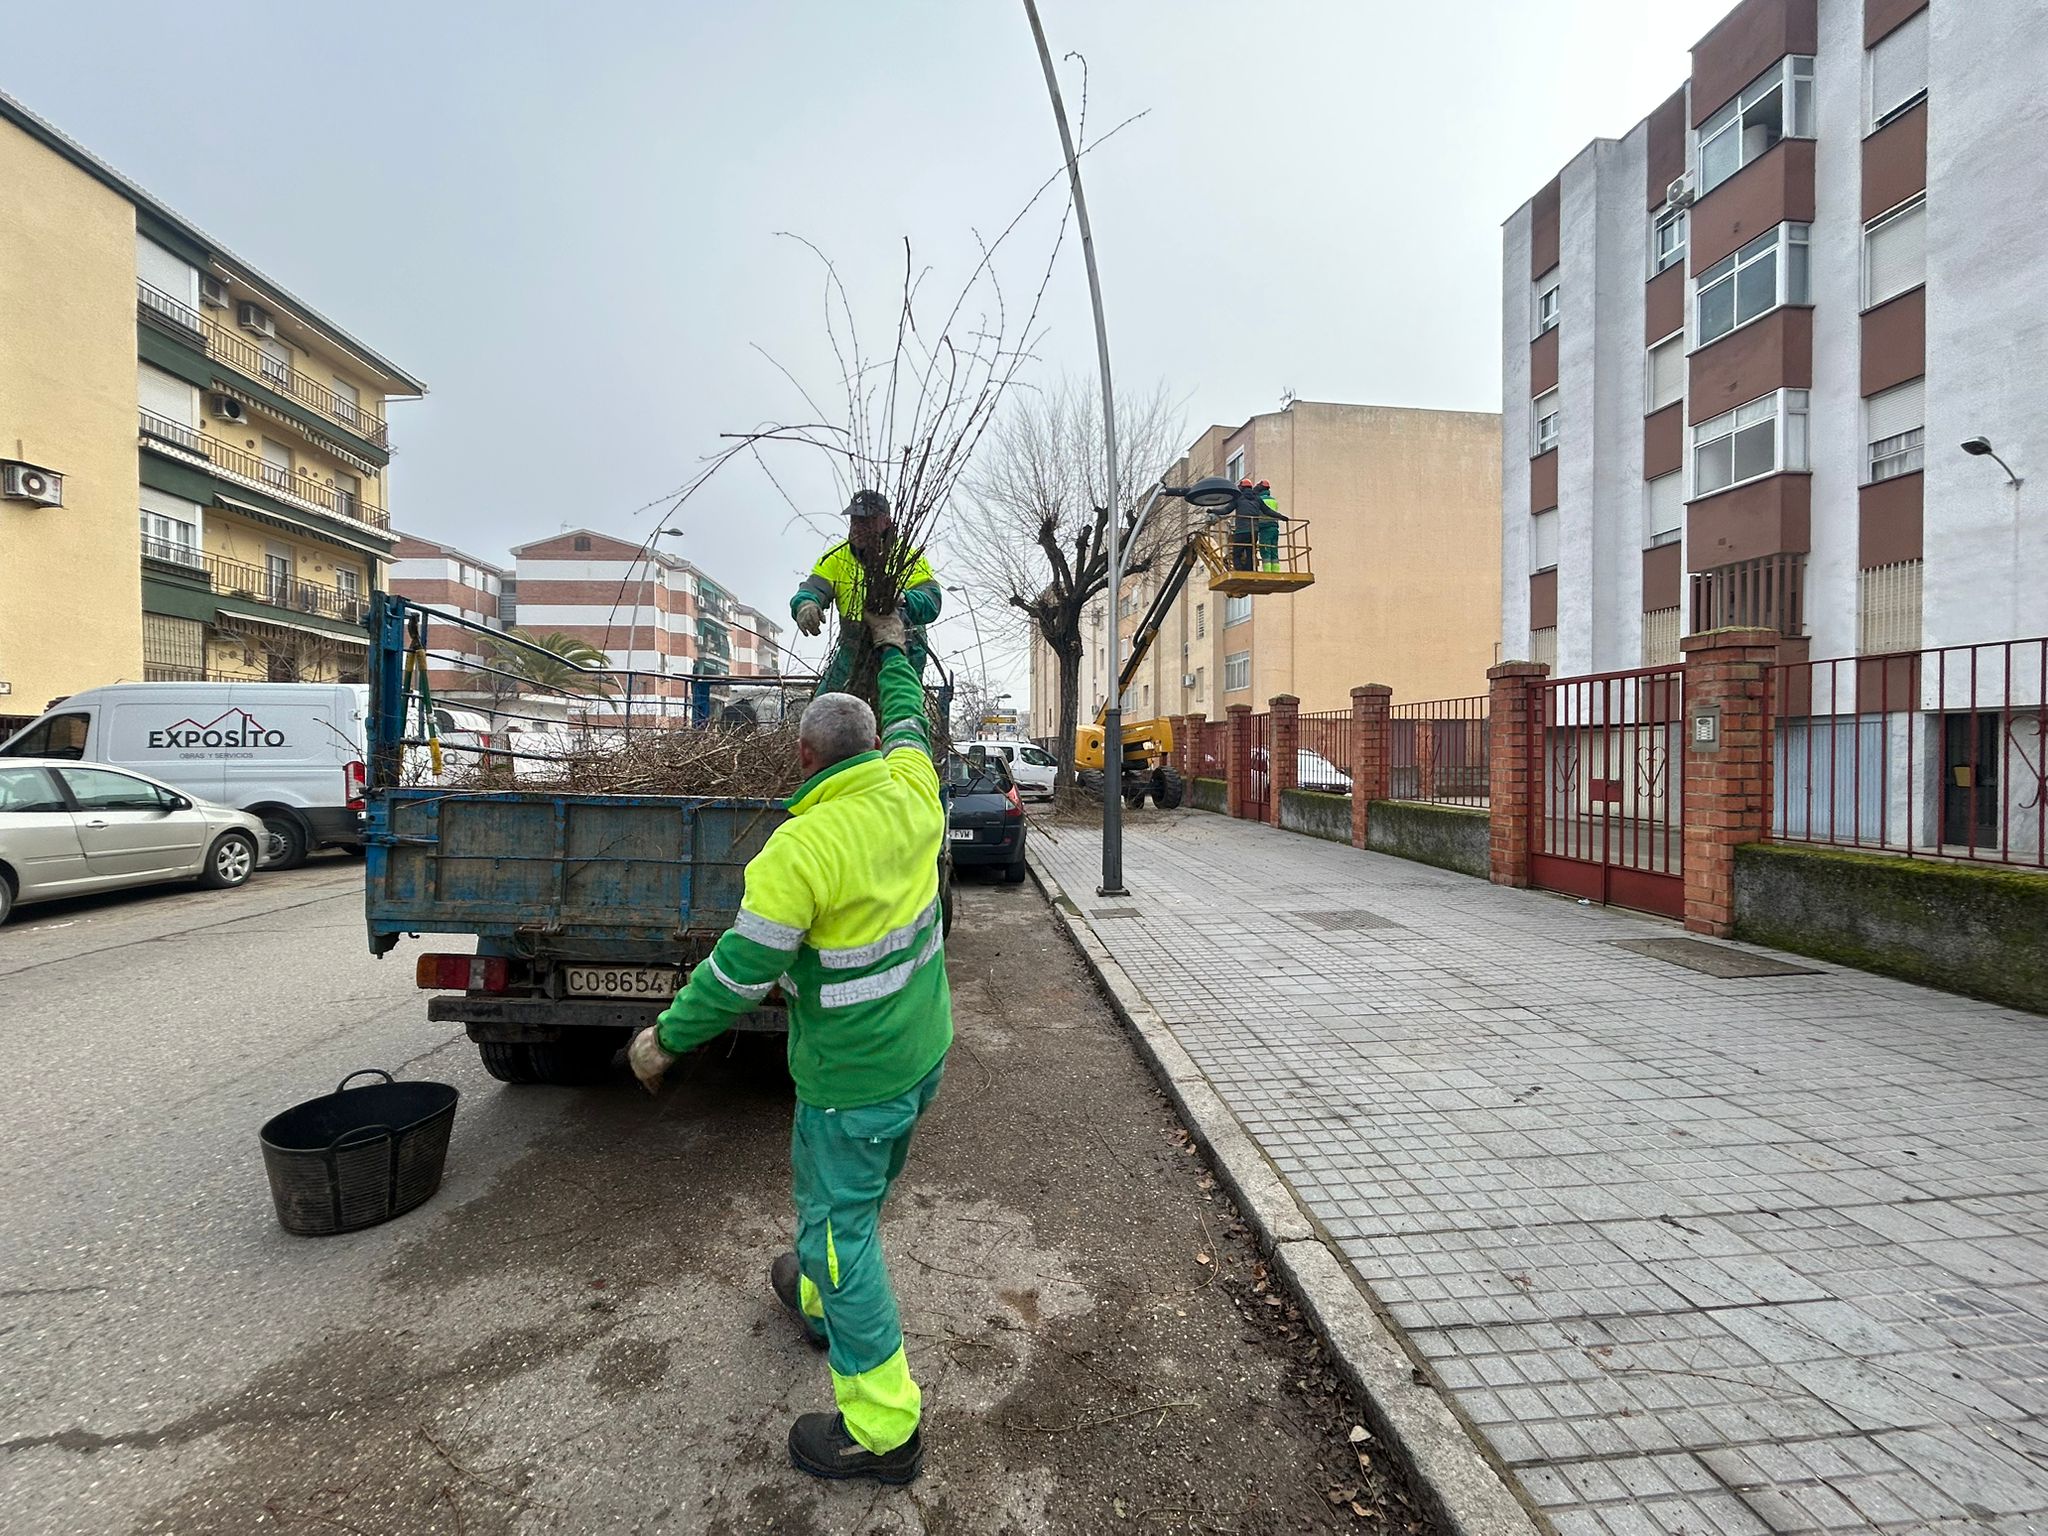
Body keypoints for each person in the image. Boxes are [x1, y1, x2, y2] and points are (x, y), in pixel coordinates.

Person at [627, 607, 950, 1486]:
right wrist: (894, 651)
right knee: (844, 1201)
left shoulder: (797, 850)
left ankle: (884, 1432)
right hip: (922, 1054)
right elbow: (914, 718)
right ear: (875, 746)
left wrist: (664, 1040)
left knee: (842, 1226)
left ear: (803, 758)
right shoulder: (916, 788)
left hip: (851, 1078)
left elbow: (739, 973)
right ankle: (816, 1298)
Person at [790, 491, 943, 692]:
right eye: (855, 520)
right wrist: (806, 604)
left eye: (867, 521)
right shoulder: (835, 558)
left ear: (886, 522)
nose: (858, 527)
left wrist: (905, 599)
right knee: (826, 707)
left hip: (902, 647)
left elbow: (931, 600)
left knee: (899, 705)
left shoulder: (907, 558)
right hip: (852, 650)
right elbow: (813, 588)